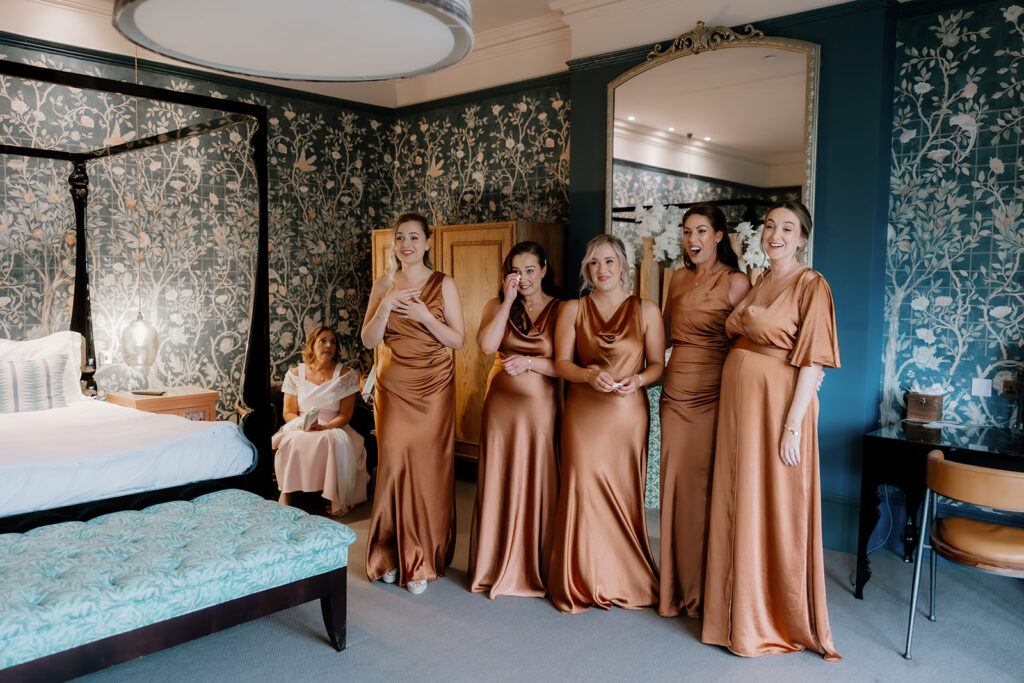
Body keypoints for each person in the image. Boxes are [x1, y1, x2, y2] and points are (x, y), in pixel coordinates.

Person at [701, 200, 841, 661]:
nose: (775, 234)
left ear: (802, 237)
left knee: (776, 505)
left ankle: (772, 617)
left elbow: (813, 360)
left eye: (787, 228)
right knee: (740, 501)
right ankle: (736, 610)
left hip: (779, 408)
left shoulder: (811, 284)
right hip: (742, 407)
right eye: (769, 226)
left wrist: (792, 426)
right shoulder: (760, 281)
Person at [548, 234, 664, 613]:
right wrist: (587, 375)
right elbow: (562, 363)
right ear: (587, 269)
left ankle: (624, 577)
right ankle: (581, 576)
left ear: (623, 266)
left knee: (623, 494)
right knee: (582, 488)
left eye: (609, 261)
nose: (602, 270)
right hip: (584, 412)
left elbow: (658, 366)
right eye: (594, 263)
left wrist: (640, 381)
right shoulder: (572, 310)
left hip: (628, 415)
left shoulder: (647, 310)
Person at [361, 212, 465, 596]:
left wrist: (424, 315)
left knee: (426, 469)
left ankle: (421, 558)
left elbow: (457, 340)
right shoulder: (384, 284)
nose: (406, 244)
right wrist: (386, 305)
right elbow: (369, 340)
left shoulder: (444, 284)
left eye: (414, 237)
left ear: (427, 243)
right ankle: (390, 552)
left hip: (434, 388)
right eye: (400, 238)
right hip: (393, 389)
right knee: (393, 467)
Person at [658, 204, 750, 619]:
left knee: (702, 489)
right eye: (686, 231)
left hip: (713, 394)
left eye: (701, 231)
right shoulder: (676, 278)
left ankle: (702, 592)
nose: (692, 239)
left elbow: (750, 342)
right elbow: (659, 335)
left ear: (718, 236)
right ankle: (673, 587)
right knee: (674, 485)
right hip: (674, 392)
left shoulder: (736, 283)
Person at [469, 241, 562, 599]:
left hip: (542, 410)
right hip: (501, 409)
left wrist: (530, 363)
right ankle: (494, 564)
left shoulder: (562, 308)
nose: (522, 278)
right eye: (516, 271)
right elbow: (486, 347)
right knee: (499, 479)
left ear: (543, 270)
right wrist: (507, 302)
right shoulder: (497, 305)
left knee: (539, 480)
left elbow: (568, 366)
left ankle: (536, 566)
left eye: (529, 270)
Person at [272, 325, 369, 516]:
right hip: (301, 423)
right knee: (293, 439)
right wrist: (303, 424)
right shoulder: (294, 374)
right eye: (323, 340)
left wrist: (325, 426)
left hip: (334, 424)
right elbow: (288, 411)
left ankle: (335, 497)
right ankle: (286, 493)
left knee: (330, 440)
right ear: (312, 345)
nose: (328, 345)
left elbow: (345, 415)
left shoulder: (346, 375)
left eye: (333, 341)